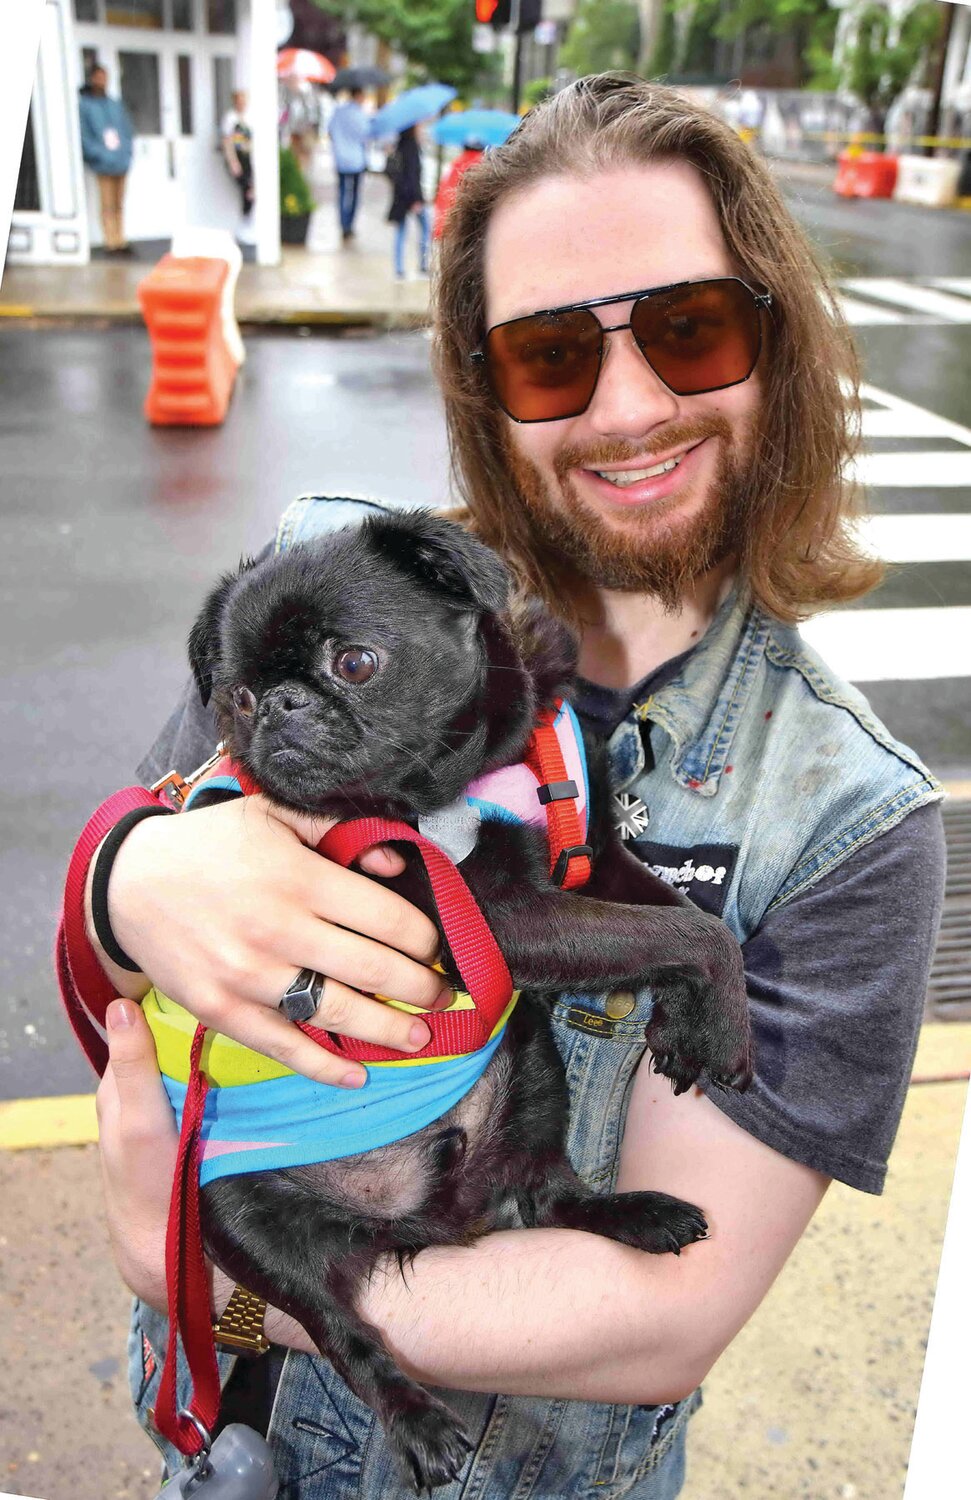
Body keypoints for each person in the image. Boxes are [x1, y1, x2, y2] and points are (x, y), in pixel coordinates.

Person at [68, 74, 946, 1497]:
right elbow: (129, 987)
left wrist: (181, 1254)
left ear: (773, 345)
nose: (628, 404)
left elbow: (656, 1317)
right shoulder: (320, 583)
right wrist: (126, 872)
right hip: (228, 1442)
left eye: (687, 330)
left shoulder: (844, 817)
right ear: (486, 385)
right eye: (549, 356)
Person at [78, 64, 133, 255]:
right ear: (92, 79)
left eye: (105, 77)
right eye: (99, 77)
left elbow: (126, 130)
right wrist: (100, 154)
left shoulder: (114, 103)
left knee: (119, 203)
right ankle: (111, 242)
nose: (102, 81)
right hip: (103, 163)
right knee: (107, 204)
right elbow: (84, 135)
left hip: (120, 161)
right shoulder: (85, 105)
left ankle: (120, 239)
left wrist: (126, 152)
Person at [387, 124, 430, 279]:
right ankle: (423, 265)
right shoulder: (411, 148)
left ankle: (399, 268)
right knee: (425, 229)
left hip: (400, 198)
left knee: (401, 231)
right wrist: (416, 199)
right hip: (412, 198)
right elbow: (412, 176)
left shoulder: (399, 146)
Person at [327, 85, 370, 242]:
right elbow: (367, 135)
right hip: (357, 160)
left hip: (341, 159)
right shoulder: (360, 115)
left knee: (343, 192)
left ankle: (343, 223)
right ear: (358, 96)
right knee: (355, 194)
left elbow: (330, 132)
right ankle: (349, 224)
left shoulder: (338, 112)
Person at [433, 136, 485, 240]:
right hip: (471, 224)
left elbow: (444, 191)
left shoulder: (456, 164)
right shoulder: (482, 166)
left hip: (450, 220)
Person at [220, 88, 253, 217]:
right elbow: (227, 140)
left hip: (247, 154)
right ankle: (245, 213)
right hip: (237, 154)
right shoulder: (231, 118)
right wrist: (233, 160)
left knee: (250, 183)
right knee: (245, 184)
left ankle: (248, 211)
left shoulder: (249, 117)